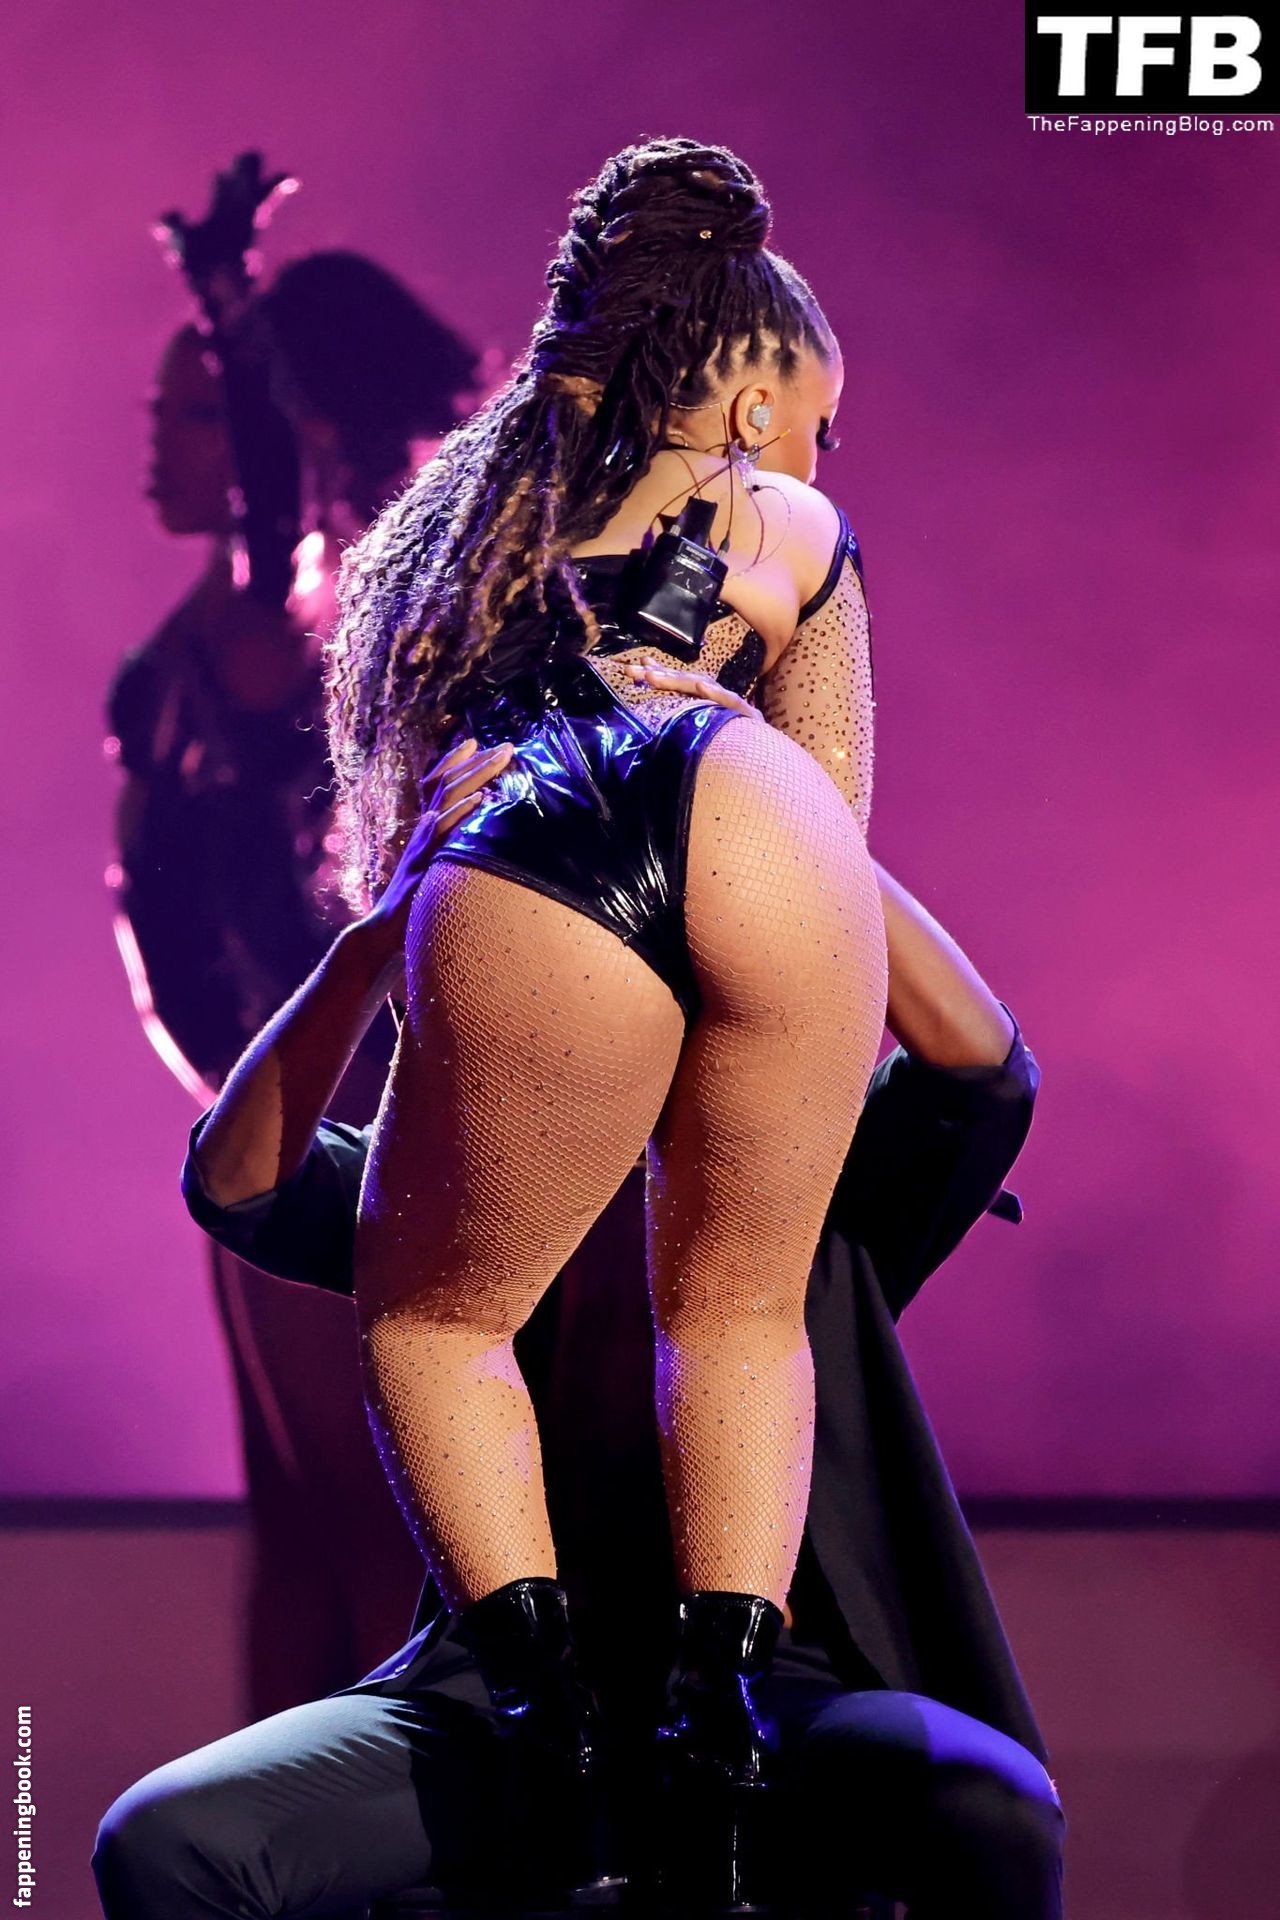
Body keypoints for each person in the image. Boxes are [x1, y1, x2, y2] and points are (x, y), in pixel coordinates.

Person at [92, 699, 1064, 1917]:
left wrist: (772, 819)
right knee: (169, 1842)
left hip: (775, 1695)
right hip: (511, 1707)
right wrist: (372, 945)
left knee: (986, 1810)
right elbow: (236, 1184)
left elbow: (982, 1068)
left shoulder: (802, 1180)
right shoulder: (460, 1201)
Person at [323, 136, 887, 1902]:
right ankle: (719, 1759)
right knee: (738, 1313)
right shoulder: (795, 527)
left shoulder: (469, 532)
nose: (823, 452)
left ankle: (545, 1738)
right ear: (750, 397)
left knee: (436, 1316)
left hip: (544, 846)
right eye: (819, 417)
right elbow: (840, 804)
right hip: (763, 824)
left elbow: (411, 827)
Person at [106, 255, 481, 1712]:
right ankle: (270, 1823)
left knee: (371, 1535)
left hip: (347, 1120)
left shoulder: (308, 633)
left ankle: (399, 1820)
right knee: (298, 1537)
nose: (158, 442)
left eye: (199, 412)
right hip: (259, 1120)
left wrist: (241, 335)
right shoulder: (222, 630)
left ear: (291, 435)